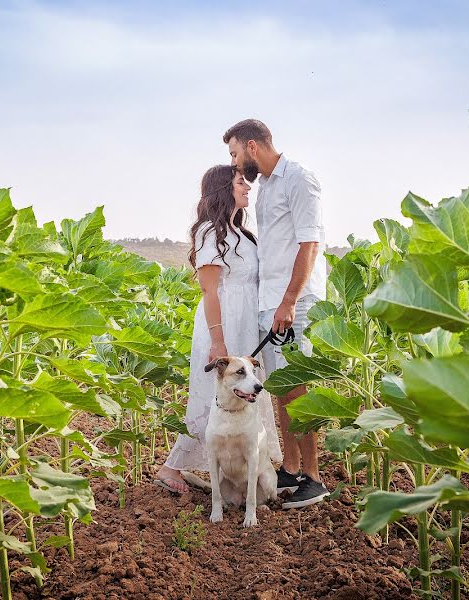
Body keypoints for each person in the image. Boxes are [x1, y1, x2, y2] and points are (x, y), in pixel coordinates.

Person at [154, 165, 282, 493]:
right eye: (242, 183)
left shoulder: (242, 234)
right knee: (211, 397)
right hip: (222, 323)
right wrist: (218, 341)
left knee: (245, 390)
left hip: (245, 323)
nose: (248, 188)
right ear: (225, 188)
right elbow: (210, 291)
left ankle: (252, 469)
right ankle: (172, 468)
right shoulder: (210, 231)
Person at [224, 119, 331, 509]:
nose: (235, 163)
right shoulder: (266, 186)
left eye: (235, 153)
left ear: (253, 147)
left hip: (296, 302)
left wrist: (288, 301)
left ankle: (315, 477)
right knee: (282, 388)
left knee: (299, 387)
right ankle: (290, 467)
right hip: (272, 302)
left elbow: (309, 244)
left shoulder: (299, 178)